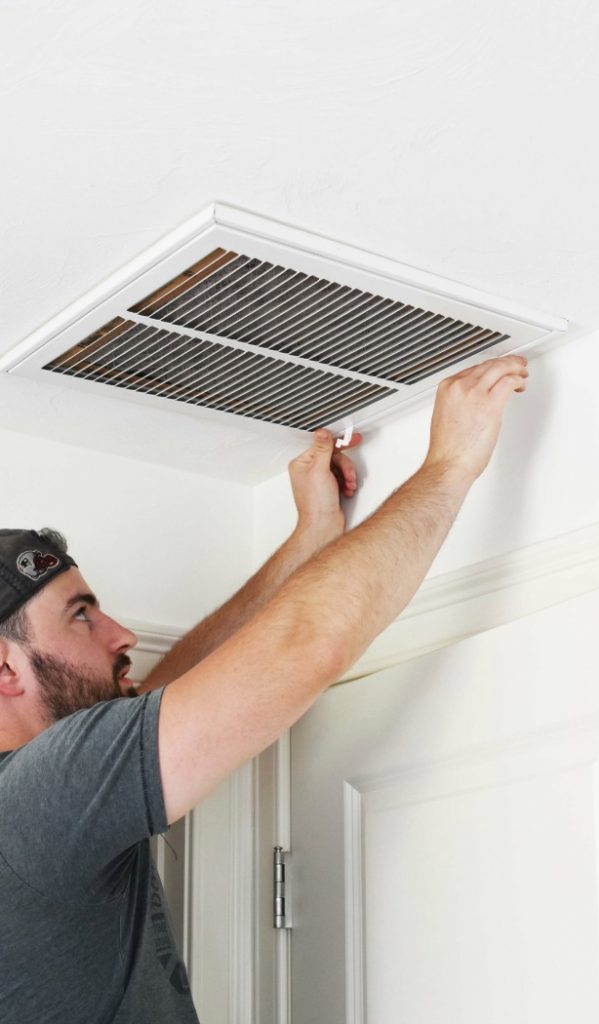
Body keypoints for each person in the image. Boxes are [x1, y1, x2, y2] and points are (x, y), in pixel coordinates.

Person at [0, 354, 528, 1022]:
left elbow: (174, 699)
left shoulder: (41, 801)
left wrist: (307, 542)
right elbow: (303, 646)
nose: (122, 633)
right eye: (82, 615)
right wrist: (448, 466)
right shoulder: (32, 802)